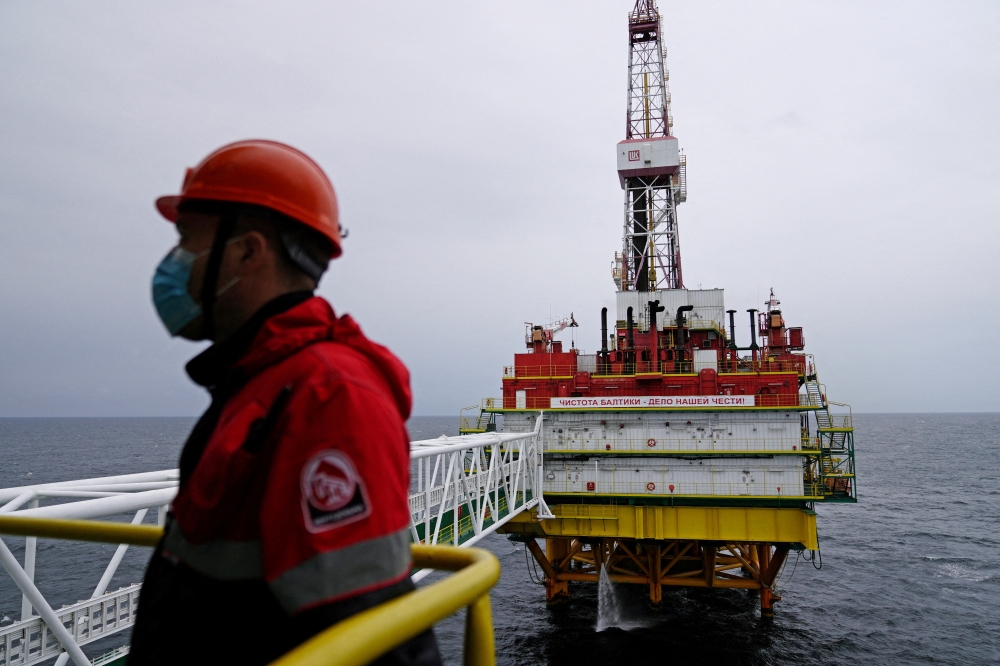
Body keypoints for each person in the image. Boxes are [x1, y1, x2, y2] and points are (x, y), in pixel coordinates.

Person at [129, 140, 441, 665]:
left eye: (187, 242)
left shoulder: (328, 395)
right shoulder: (262, 381)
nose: (173, 265)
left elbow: (376, 643)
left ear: (248, 251)